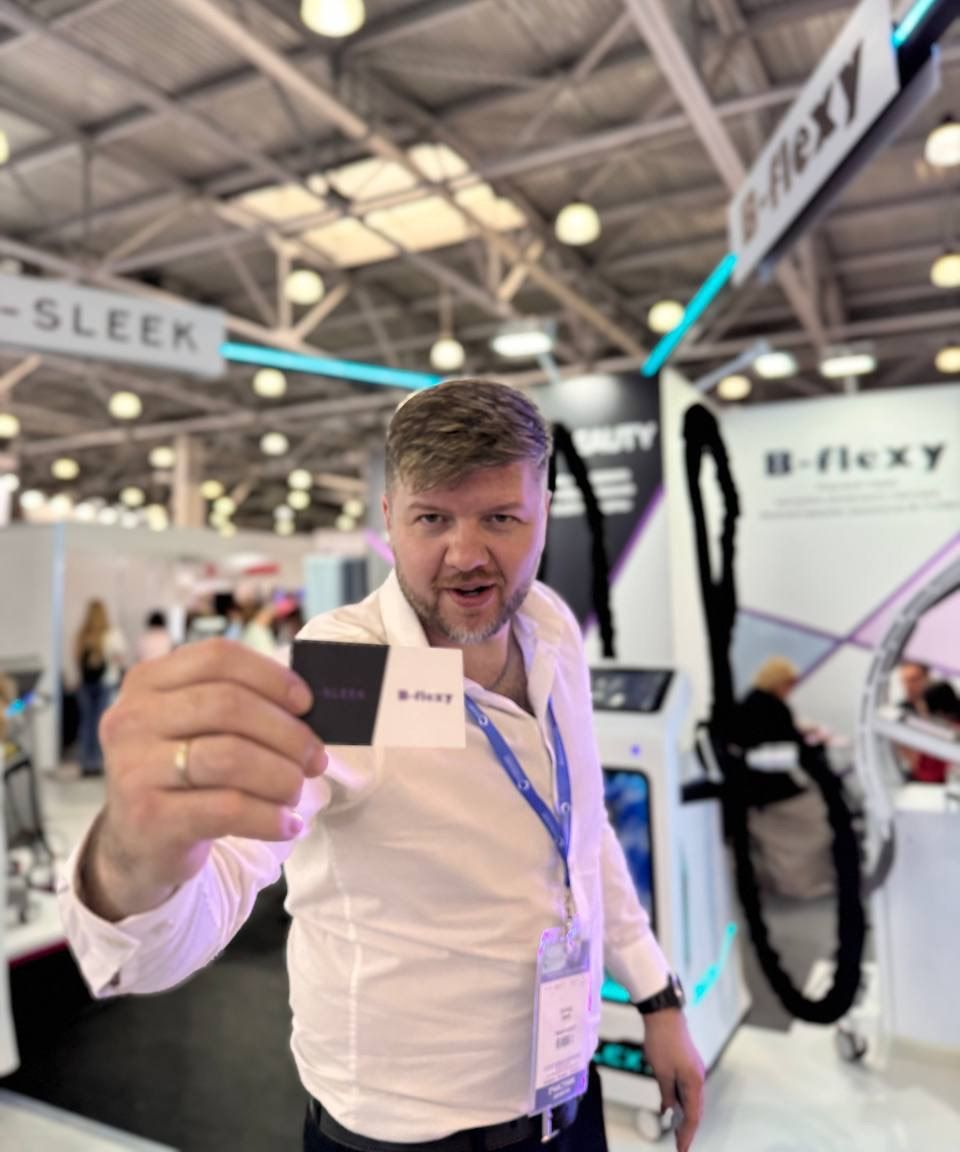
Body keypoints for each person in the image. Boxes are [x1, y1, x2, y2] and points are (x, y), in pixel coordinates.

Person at [58, 380, 705, 1152]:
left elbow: (582, 829)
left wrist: (657, 995)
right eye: (433, 518)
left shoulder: (551, 628)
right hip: (405, 1140)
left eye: (501, 518)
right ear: (390, 518)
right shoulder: (349, 670)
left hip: (566, 1095)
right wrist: (133, 857)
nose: (467, 555)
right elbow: (200, 906)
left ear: (544, 511)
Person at [733, 656, 835, 900]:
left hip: (753, 789)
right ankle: (805, 884)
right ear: (779, 682)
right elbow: (793, 747)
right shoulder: (774, 708)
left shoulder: (750, 702)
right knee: (820, 816)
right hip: (771, 791)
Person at [73, 600, 127, 777]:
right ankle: (96, 762)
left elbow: (76, 660)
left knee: (86, 724)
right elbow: (120, 657)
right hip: (106, 682)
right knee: (100, 724)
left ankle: (85, 762)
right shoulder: (111, 634)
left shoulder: (82, 635)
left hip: (85, 684)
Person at [897, 660, 960, 784]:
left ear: (926, 677)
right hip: (922, 777)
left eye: (913, 679)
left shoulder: (942, 696)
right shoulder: (901, 712)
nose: (908, 685)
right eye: (904, 681)